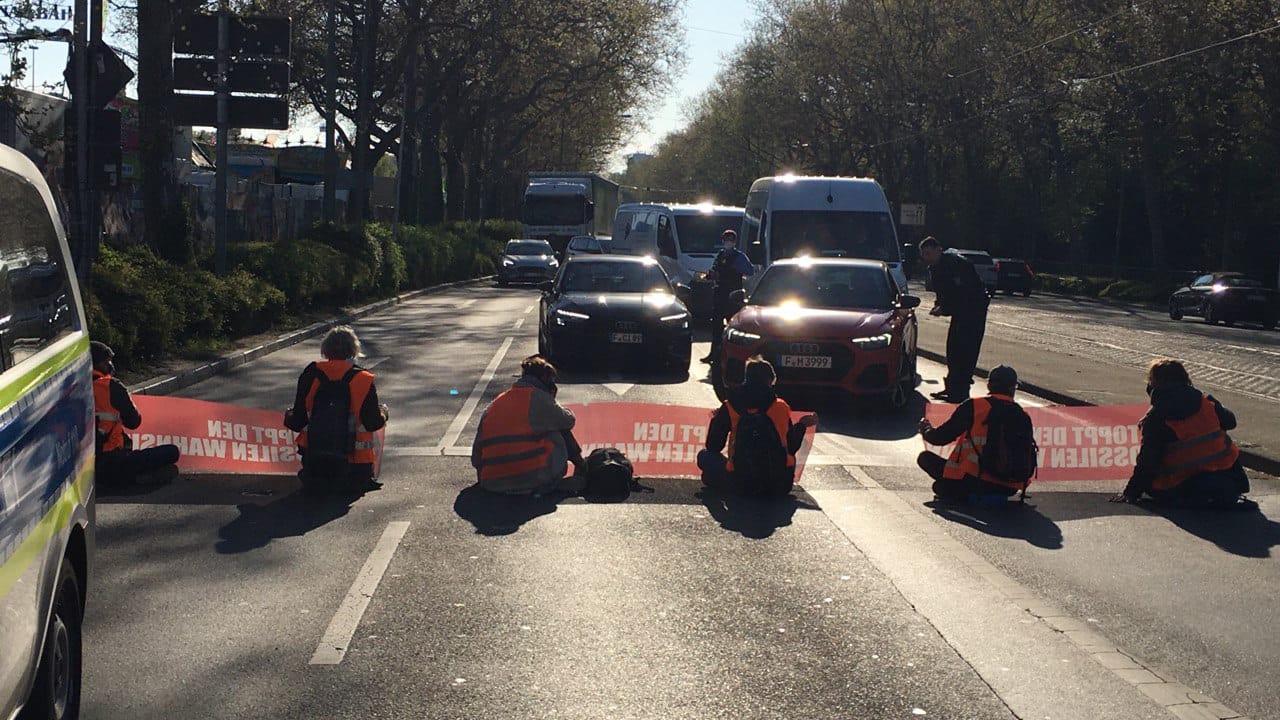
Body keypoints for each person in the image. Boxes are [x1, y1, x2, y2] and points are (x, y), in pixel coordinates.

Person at [1110, 359, 1253, 509]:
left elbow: (1148, 461)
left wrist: (1131, 492)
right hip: (1226, 474)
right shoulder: (1206, 402)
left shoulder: (1156, 417)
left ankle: (1192, 498)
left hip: (1180, 483)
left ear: (1154, 384)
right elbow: (1230, 422)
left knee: (1153, 484)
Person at [284, 326, 388, 493]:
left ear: (325, 350)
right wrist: (383, 413)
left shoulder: (310, 374)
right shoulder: (363, 379)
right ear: (353, 350)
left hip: (315, 462)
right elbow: (373, 423)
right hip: (356, 468)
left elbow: (297, 422)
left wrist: (288, 415)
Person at [698, 357, 817, 495]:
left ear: (746, 379)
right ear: (770, 381)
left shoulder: (730, 406)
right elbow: (791, 446)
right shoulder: (780, 407)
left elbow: (713, 445)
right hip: (779, 485)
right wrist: (801, 425)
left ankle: (721, 481)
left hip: (740, 482)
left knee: (705, 456)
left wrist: (717, 419)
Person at [472, 355, 586, 495]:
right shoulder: (538, 398)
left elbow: (477, 453)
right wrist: (551, 399)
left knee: (548, 422)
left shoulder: (497, 403)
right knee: (557, 426)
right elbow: (568, 421)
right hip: (531, 478)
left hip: (491, 481)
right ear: (545, 379)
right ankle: (582, 468)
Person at [917, 365, 1031, 504]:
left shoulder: (975, 406)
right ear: (1013, 388)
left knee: (926, 460)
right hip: (1010, 487)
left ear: (989, 386)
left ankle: (965, 495)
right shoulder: (1022, 415)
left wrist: (926, 429)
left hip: (975, 479)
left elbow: (940, 437)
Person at [91, 341, 181, 486]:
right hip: (111, 461)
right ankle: (134, 479)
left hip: (82, 468)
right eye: (107, 361)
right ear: (98, 363)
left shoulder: (72, 387)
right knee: (172, 451)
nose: (110, 365)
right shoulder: (110, 386)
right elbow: (134, 422)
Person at [918, 236, 989, 402]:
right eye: (924, 255)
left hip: (973, 313)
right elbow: (943, 293)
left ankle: (960, 392)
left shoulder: (957, 264)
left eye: (928, 253)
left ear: (938, 250)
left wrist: (945, 308)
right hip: (960, 314)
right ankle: (952, 388)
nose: (926, 258)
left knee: (966, 352)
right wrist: (939, 305)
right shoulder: (935, 268)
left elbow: (965, 294)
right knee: (953, 351)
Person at [701, 229, 756, 364]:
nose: (728, 243)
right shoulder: (720, 255)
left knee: (732, 327)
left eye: (730, 240)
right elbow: (715, 269)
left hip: (733, 297)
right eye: (726, 240)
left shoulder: (739, 257)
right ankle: (714, 354)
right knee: (716, 327)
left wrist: (734, 271)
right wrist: (710, 275)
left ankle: (732, 356)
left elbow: (750, 271)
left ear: (735, 242)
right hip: (719, 294)